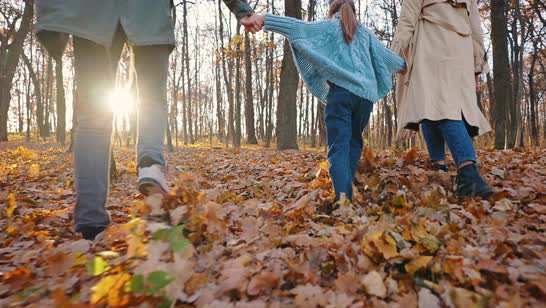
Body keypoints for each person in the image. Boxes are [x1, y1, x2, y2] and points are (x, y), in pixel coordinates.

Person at [35, 0, 262, 240]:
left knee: (92, 117)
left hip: (92, 13)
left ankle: (91, 223)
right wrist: (241, 9)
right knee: (152, 99)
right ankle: (150, 163)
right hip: (148, 11)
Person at [249, 0, 405, 201]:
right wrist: (405, 66)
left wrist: (264, 19)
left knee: (338, 148)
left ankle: (343, 199)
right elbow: (390, 59)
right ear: (353, 12)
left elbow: (298, 28)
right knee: (354, 143)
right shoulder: (365, 34)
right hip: (365, 99)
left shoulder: (329, 27)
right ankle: (347, 193)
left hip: (341, 95)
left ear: (332, 11)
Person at [391, 0, 493, 199]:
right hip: (461, 51)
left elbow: (406, 22)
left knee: (441, 107)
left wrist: (392, 57)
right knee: (429, 106)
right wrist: (477, 64)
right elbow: (475, 28)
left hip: (431, 48)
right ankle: (439, 169)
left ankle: (469, 174)